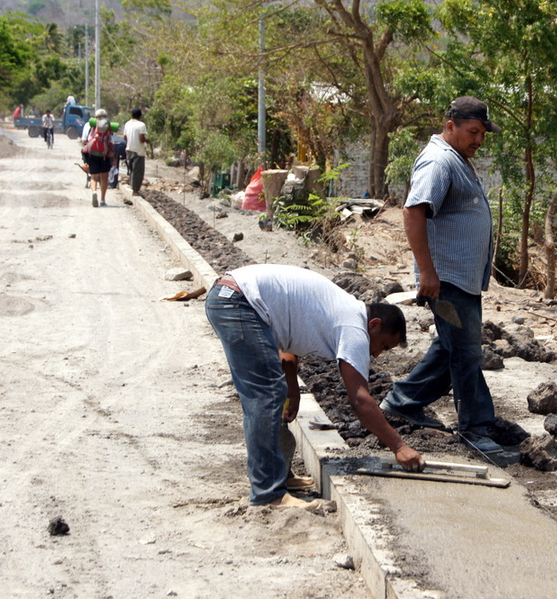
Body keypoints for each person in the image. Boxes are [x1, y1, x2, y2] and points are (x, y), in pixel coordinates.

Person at [205, 264, 424, 508]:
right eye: (383, 345)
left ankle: (279, 476)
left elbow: (286, 349)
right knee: (265, 396)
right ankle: (269, 494)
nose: (377, 355)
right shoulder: (354, 327)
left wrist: (292, 388)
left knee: (271, 395)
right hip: (240, 303)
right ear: (374, 325)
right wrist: (399, 447)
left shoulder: (340, 308)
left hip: (232, 298)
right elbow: (359, 400)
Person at [379, 96, 508, 457]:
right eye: (472, 132)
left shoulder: (457, 159)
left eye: (482, 133)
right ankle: (476, 428)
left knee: (450, 346)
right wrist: (428, 271)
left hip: (460, 278)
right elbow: (413, 212)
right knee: (466, 352)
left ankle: (403, 401)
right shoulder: (438, 161)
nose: (478, 140)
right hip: (447, 279)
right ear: (450, 125)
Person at [81, 109, 116, 207]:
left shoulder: (89, 125)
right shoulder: (108, 126)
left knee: (94, 177)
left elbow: (84, 141)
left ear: (95, 117)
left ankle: (94, 192)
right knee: (104, 177)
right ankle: (102, 200)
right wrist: (113, 157)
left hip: (92, 154)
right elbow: (111, 142)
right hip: (104, 155)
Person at [122, 107, 149, 196]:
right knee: (138, 171)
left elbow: (125, 138)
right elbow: (141, 139)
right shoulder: (141, 125)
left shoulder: (127, 124)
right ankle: (135, 191)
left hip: (129, 150)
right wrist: (147, 141)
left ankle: (132, 187)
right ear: (140, 115)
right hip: (138, 151)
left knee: (132, 170)